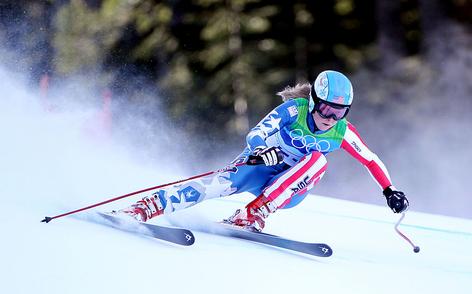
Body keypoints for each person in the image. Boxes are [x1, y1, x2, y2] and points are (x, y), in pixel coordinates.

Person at [114, 70, 409, 231]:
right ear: (315, 101)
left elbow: (371, 160)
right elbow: (257, 132)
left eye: (340, 112)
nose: (330, 118)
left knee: (318, 161)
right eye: (327, 109)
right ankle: (148, 206)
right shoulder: (294, 110)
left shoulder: (342, 131)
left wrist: (389, 190)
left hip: (287, 189)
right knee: (215, 186)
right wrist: (262, 150)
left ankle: (254, 214)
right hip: (260, 166)